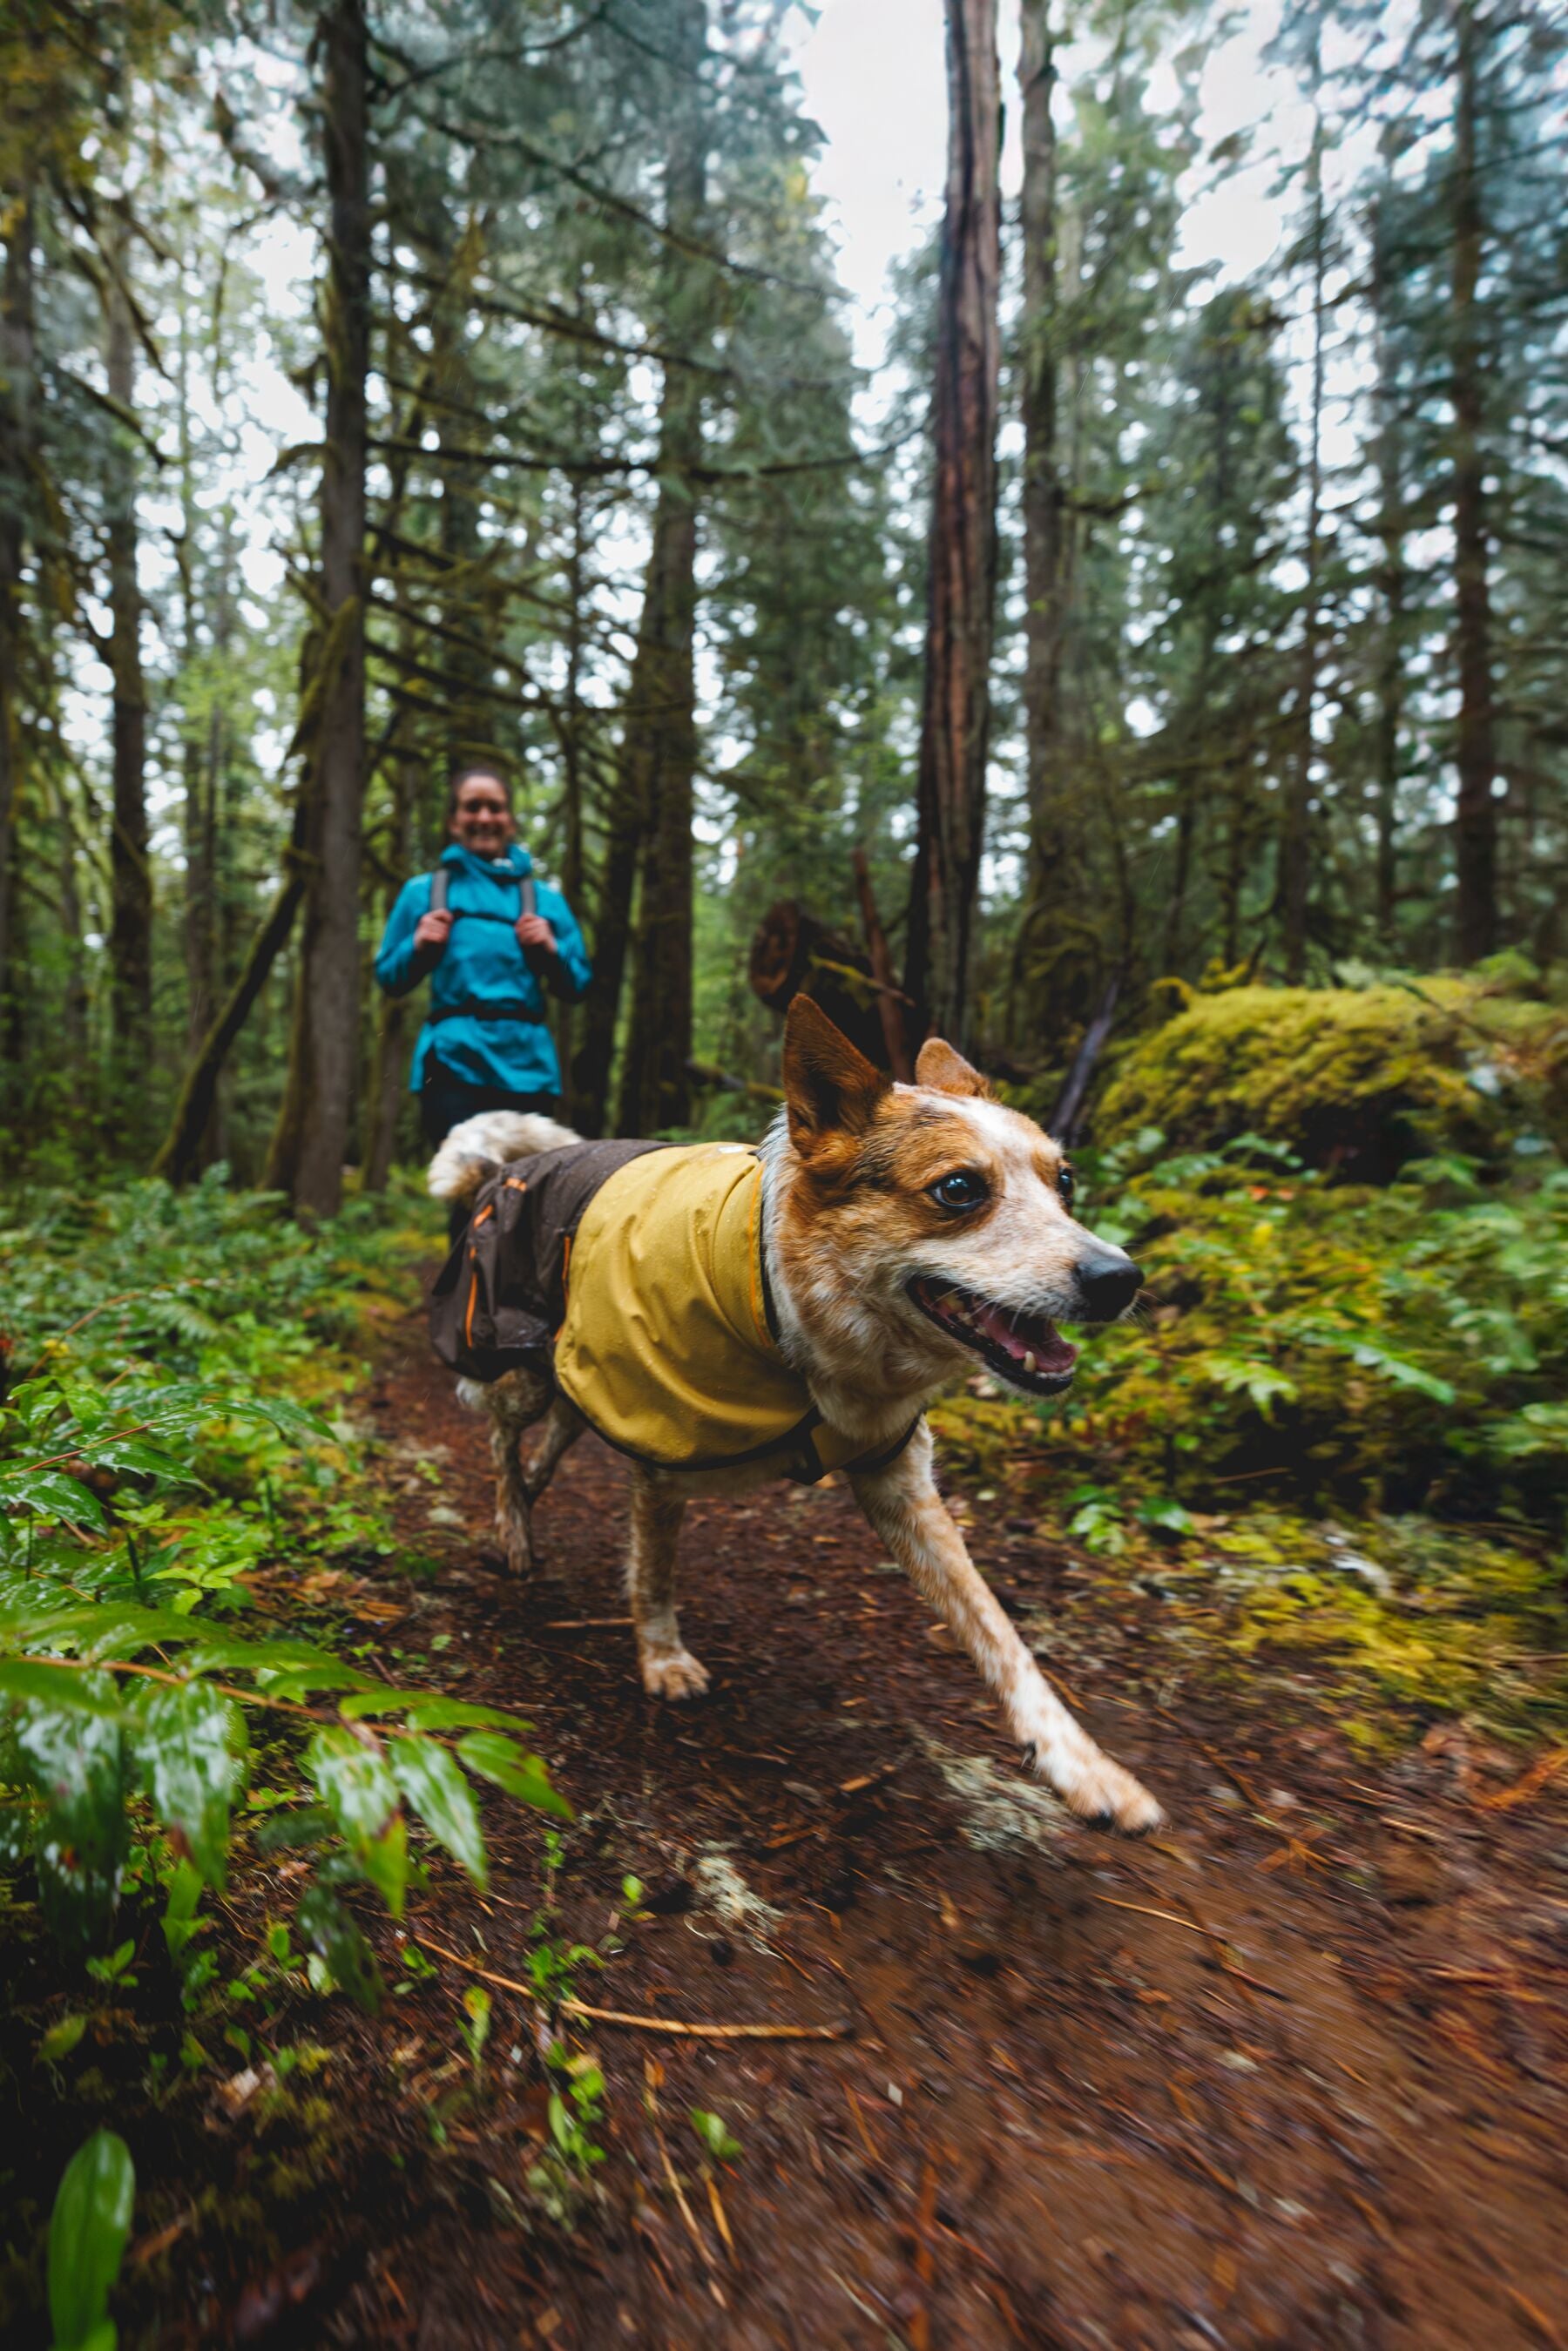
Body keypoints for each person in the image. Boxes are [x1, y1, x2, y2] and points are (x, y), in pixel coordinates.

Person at [374, 763, 591, 1155]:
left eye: (495, 808)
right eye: (472, 807)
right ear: (455, 821)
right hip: (452, 1066)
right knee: (468, 1194)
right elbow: (390, 977)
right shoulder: (422, 892)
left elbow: (578, 985)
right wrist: (417, 945)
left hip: (529, 1070)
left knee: (529, 1198)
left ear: (509, 820)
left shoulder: (546, 901)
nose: (484, 818)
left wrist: (552, 951)